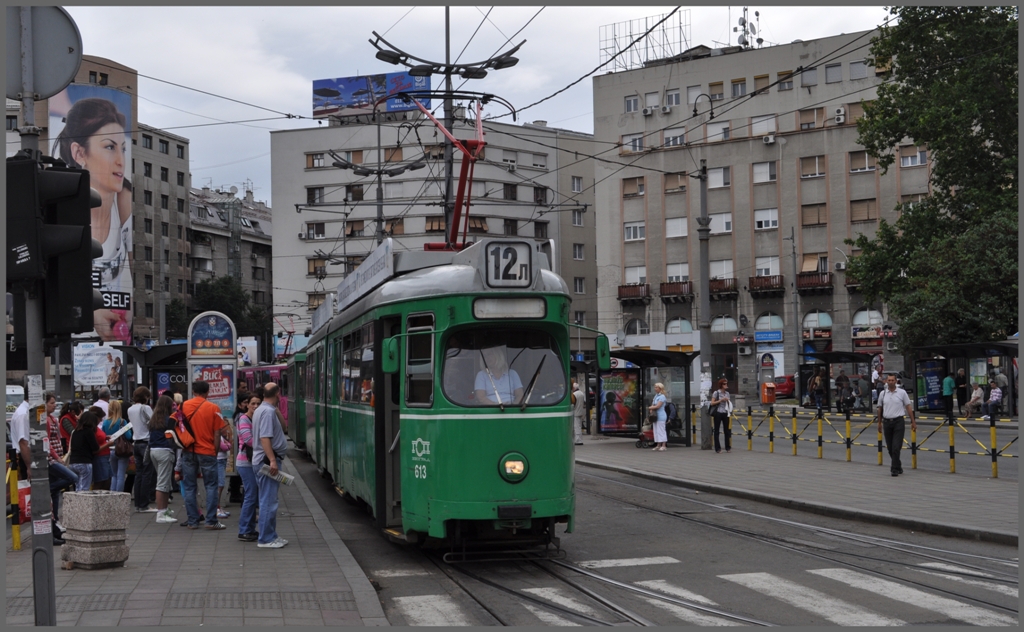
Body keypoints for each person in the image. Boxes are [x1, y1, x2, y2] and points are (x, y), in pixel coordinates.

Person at [53, 97, 133, 343]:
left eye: (123, 148)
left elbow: (132, 271)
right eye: (110, 147)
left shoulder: (125, 197)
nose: (120, 160)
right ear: (79, 153)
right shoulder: (61, 208)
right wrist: (92, 312)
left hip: (116, 337)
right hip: (71, 338)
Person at [180, 381, 232, 529]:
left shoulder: (183, 406)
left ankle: (192, 521)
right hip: (207, 451)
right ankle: (211, 521)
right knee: (211, 486)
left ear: (193, 391)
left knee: (190, 487)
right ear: (208, 392)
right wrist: (214, 453)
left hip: (188, 450)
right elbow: (217, 434)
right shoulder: (213, 408)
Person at [252, 383, 288, 548]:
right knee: (268, 500)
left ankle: (271, 535)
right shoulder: (266, 412)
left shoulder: (263, 409)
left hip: (262, 460)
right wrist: (272, 460)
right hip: (266, 461)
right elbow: (265, 438)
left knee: (268, 499)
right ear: (278, 393)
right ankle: (266, 538)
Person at [44, 393, 78, 545]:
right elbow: (47, 441)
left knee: (56, 494)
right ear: (44, 404)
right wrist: (57, 458)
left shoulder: (52, 418)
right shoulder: (45, 420)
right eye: (51, 403)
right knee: (72, 477)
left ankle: (55, 527)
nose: (54, 405)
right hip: (51, 459)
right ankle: (46, 489)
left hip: (57, 455)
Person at [146, 396, 179, 524]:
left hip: (154, 450)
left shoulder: (154, 420)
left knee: (163, 481)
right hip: (165, 450)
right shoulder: (168, 420)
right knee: (163, 483)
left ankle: (164, 510)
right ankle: (161, 513)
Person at [876, 374, 915, 477]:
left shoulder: (902, 393)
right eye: (889, 380)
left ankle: (894, 469)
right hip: (887, 422)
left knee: (896, 446)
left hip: (898, 422)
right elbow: (879, 408)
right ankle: (898, 465)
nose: (891, 382)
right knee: (890, 447)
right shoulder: (883, 394)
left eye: (893, 380)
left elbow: (908, 407)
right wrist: (879, 422)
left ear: (896, 381)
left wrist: (913, 421)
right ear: (886, 381)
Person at [235, 394, 261, 542]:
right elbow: (248, 440)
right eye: (253, 403)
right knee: (250, 496)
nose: (255, 406)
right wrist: (265, 444)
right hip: (245, 462)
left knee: (252, 495)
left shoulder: (255, 418)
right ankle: (244, 529)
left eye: (258, 403)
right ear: (247, 405)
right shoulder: (244, 419)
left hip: (253, 462)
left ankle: (250, 529)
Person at [68, 411, 115, 491]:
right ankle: (82, 503)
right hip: (84, 462)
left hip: (73, 462)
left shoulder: (76, 431)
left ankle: (76, 502)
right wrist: (108, 444)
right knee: (84, 488)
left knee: (78, 486)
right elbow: (96, 449)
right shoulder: (88, 431)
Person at [128, 387, 157, 512]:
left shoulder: (130, 409)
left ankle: (138, 504)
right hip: (146, 443)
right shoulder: (145, 408)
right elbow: (153, 423)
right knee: (147, 474)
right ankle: (144, 504)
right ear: (145, 396)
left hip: (136, 443)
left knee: (139, 474)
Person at [102, 400, 132, 493]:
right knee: (121, 475)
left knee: (114, 475)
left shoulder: (105, 422)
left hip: (110, 450)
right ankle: (119, 495)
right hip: (122, 450)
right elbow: (129, 436)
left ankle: (112, 494)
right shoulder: (123, 421)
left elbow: (103, 436)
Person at [9, 393, 32, 482]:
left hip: (28, 456)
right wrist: (29, 466)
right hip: (26, 457)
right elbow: (23, 442)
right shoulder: (23, 414)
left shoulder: (26, 411)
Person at [89, 406, 113, 490]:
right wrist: (107, 444)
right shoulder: (91, 429)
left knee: (107, 480)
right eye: (100, 418)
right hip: (99, 457)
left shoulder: (96, 428)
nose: (101, 420)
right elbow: (95, 449)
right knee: (101, 481)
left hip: (105, 456)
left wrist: (105, 438)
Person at [709, 379, 732, 453]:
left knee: (727, 431)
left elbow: (729, 403)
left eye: (726, 384)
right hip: (718, 412)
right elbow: (712, 403)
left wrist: (728, 402)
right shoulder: (716, 393)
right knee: (717, 431)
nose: (726, 385)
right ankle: (718, 448)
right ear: (721, 385)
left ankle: (727, 447)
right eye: (724, 384)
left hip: (725, 412)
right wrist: (721, 400)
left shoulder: (727, 393)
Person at [647, 382, 668, 452]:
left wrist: (650, 408)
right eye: (655, 387)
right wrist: (651, 408)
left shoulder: (662, 396)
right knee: (656, 431)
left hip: (661, 416)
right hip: (655, 416)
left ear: (660, 388)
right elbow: (653, 404)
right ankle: (658, 445)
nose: (655, 389)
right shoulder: (656, 396)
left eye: (656, 387)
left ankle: (664, 445)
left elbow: (658, 406)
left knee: (661, 430)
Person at [571, 381, 586, 446]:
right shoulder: (581, 393)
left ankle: (578, 440)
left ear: (574, 388)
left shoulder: (574, 394)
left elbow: (572, 403)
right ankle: (579, 439)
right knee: (579, 426)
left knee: (576, 427)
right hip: (580, 411)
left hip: (575, 412)